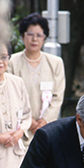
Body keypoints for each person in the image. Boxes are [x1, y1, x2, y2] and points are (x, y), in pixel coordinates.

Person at [8, 12, 65, 146]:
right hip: (19, 130)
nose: (34, 39)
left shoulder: (55, 63)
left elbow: (57, 97)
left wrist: (44, 121)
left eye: (39, 35)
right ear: (22, 36)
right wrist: (29, 121)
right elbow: (11, 96)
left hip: (47, 129)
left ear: (44, 38)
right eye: (30, 34)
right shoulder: (11, 62)